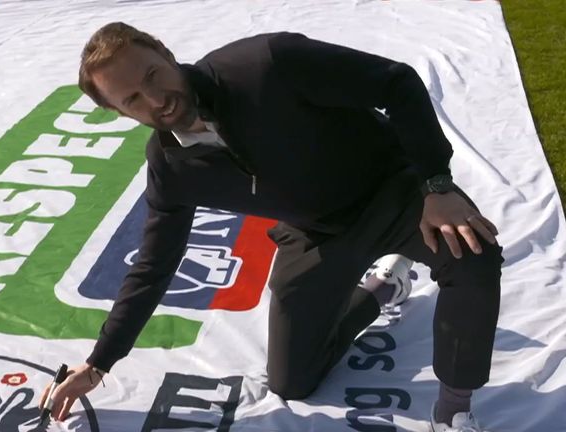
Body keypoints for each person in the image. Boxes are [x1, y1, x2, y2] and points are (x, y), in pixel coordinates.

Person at [37, 22, 504, 432]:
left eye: (152, 75)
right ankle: (385, 287)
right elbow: (153, 266)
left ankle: (452, 413)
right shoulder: (171, 167)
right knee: (292, 381)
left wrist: (436, 184)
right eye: (133, 99)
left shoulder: (267, 64)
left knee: (473, 252)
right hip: (317, 232)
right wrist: (99, 363)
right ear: (120, 113)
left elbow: (396, 84)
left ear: (164, 51)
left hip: (397, 193)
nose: (157, 100)